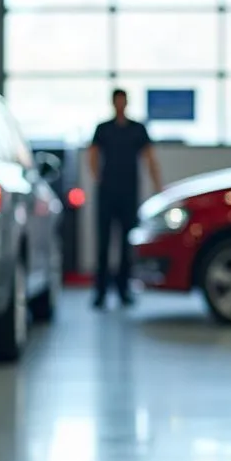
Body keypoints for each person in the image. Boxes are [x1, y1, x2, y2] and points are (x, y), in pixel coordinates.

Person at [89, 88, 163, 309]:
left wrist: (158, 185)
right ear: (113, 103)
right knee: (103, 243)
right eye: (117, 101)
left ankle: (123, 289)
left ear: (126, 102)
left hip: (129, 192)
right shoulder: (103, 129)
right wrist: (98, 178)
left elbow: (150, 157)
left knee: (126, 243)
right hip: (107, 193)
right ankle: (100, 291)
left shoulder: (137, 129)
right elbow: (92, 155)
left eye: (123, 100)